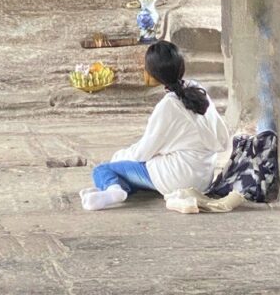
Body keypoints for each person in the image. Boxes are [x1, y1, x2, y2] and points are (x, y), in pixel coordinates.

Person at [81, 40, 231, 214]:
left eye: (145, 67)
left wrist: (119, 156)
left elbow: (142, 153)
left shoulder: (168, 106)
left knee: (103, 169)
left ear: (153, 73)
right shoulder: (197, 90)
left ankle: (113, 190)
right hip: (203, 177)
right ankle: (115, 188)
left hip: (178, 177)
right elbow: (222, 139)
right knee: (134, 172)